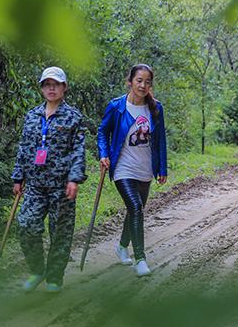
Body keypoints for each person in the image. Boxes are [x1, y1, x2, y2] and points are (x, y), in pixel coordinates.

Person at [11, 66, 86, 293]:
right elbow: (24, 148)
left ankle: (54, 277)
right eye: (47, 84)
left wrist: (74, 179)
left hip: (61, 186)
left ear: (64, 87)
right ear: (42, 88)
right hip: (34, 183)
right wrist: (18, 176)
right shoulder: (32, 115)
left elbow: (78, 150)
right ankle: (37, 270)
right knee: (26, 226)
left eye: (56, 84)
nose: (51, 88)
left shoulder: (73, 117)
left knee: (60, 233)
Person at [97, 64, 168, 277]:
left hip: (145, 168)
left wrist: (162, 167)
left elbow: (161, 140)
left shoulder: (156, 108)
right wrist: (103, 153)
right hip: (122, 167)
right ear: (130, 81)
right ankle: (140, 259)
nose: (143, 85)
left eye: (148, 82)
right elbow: (103, 131)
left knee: (134, 210)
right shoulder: (117, 106)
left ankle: (121, 246)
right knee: (136, 207)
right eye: (139, 80)